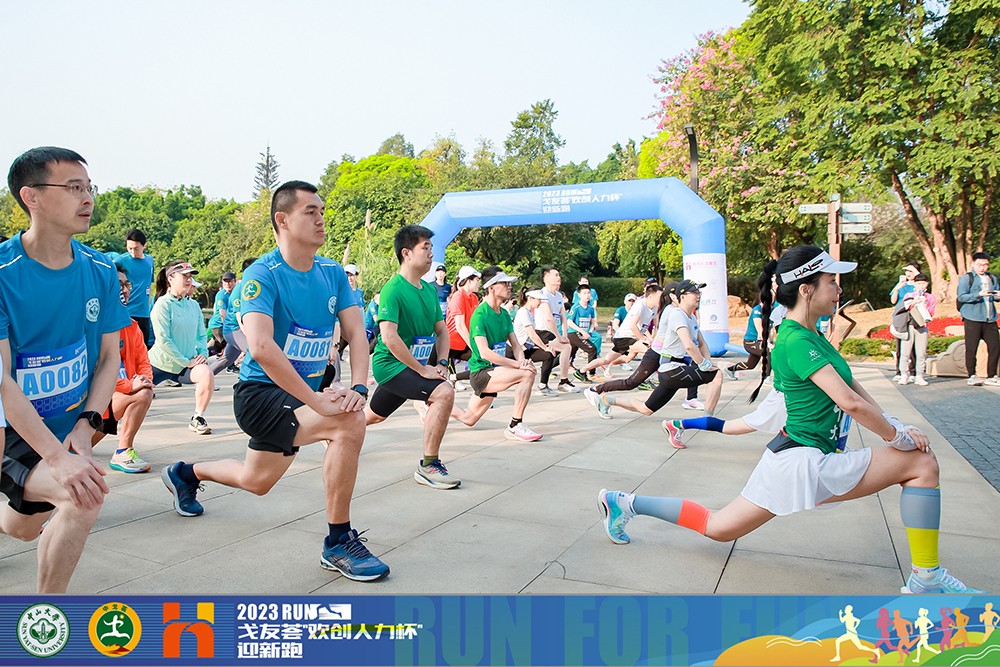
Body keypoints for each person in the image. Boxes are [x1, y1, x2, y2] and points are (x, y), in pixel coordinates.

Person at [597, 246, 982, 595]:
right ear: (807, 289)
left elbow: (854, 390)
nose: (839, 290)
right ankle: (926, 577)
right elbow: (850, 403)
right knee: (920, 463)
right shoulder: (796, 340)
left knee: (718, 527)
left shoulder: (812, 336)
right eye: (831, 282)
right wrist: (897, 435)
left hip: (804, 456)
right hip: (801, 461)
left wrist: (895, 423)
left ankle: (625, 503)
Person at [161, 180, 389, 581]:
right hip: (260, 394)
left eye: (322, 211)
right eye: (310, 212)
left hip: (301, 395)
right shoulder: (261, 275)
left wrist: (358, 386)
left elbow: (357, 333)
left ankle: (185, 473)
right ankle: (338, 541)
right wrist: (319, 403)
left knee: (256, 481)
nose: (321, 219)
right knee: (348, 423)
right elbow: (262, 347)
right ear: (282, 220)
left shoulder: (332, 272)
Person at [0, 146, 131, 592]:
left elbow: (109, 357)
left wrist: (86, 424)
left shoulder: (100, 269)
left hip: (67, 425)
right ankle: (46, 621)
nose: (87, 198)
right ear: (31, 197)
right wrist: (57, 459)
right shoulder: (3, 273)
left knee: (21, 528)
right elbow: (2, 381)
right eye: (74, 187)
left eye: (89, 187)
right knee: (83, 496)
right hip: (12, 430)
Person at [364, 225, 459, 490]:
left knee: (374, 415)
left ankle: (333, 431)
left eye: (431, 248)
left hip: (412, 366)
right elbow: (388, 337)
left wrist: (442, 363)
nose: (431, 254)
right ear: (406, 253)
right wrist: (422, 369)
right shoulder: (393, 290)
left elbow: (442, 331)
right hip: (390, 365)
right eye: (425, 248)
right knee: (444, 393)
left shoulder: (429, 290)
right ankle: (429, 466)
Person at [586, 280, 721, 422]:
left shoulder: (689, 316)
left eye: (698, 292)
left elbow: (700, 343)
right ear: (676, 297)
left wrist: (707, 362)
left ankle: (606, 400)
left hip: (672, 363)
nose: (698, 295)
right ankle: (706, 419)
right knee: (631, 382)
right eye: (694, 292)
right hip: (659, 357)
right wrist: (703, 364)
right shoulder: (674, 313)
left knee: (646, 409)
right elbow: (689, 345)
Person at [451, 267, 542, 441]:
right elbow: (484, 353)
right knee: (527, 374)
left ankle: (438, 404)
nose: (509, 286)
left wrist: (522, 361)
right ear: (491, 287)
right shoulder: (480, 315)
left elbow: (516, 345)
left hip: (496, 371)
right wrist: (518, 365)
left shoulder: (505, 314)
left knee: (469, 419)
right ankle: (515, 426)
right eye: (504, 283)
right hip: (482, 373)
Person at [91, 265, 155, 473]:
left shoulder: (132, 326)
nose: (125, 290)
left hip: (111, 405)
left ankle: (123, 451)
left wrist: (143, 381)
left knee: (144, 392)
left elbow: (143, 361)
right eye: (119, 285)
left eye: (127, 285)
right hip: (87, 410)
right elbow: (93, 371)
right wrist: (129, 385)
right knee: (69, 452)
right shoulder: (90, 324)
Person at [147, 261, 219, 434]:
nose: (189, 280)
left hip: (186, 365)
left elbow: (201, 335)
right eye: (184, 276)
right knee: (136, 396)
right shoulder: (162, 305)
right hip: (160, 364)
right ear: (170, 279)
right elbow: (164, 340)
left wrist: (202, 355)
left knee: (206, 373)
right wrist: (186, 362)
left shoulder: (193, 305)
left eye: (190, 276)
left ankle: (198, 418)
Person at [579, 283, 662, 380]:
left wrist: (653, 337)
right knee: (651, 351)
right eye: (659, 296)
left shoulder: (655, 307)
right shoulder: (640, 305)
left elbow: (656, 325)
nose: (662, 299)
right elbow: (632, 325)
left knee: (607, 360)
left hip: (633, 338)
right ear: (651, 296)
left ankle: (581, 371)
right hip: (624, 337)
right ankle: (644, 378)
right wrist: (644, 339)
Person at [534, 266, 582, 393]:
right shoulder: (542, 294)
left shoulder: (559, 295)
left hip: (553, 333)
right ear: (546, 278)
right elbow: (549, 318)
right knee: (566, 348)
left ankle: (545, 384)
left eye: (559, 275)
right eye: (555, 275)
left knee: (556, 351)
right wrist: (559, 337)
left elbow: (563, 317)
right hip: (541, 331)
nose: (559, 277)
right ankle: (563, 382)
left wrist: (564, 334)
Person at [956, 252, 1000, 386]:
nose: (982, 267)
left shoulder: (992, 278)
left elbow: (995, 296)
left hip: (990, 318)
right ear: (973, 264)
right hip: (972, 317)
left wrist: (997, 295)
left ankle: (992, 375)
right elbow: (961, 296)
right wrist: (978, 294)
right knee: (971, 348)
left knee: (995, 347)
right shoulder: (967, 278)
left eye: (985, 265)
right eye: (979, 264)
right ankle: (972, 375)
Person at [510, 287, 558, 396]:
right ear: (530, 298)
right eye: (538, 299)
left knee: (548, 355)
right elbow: (532, 334)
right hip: (516, 351)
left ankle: (543, 386)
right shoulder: (523, 312)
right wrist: (544, 347)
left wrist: (543, 347)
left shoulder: (530, 312)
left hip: (526, 349)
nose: (540, 302)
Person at [112, 228, 155, 348]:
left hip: (143, 313)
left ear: (144, 245)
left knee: (142, 349)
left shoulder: (150, 261)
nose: (132, 252)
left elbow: (148, 285)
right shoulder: (120, 261)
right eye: (129, 248)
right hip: (126, 312)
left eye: (136, 248)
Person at [897, 273, 936, 386]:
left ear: (927, 284)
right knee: (905, 352)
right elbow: (905, 307)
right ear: (914, 284)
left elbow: (931, 313)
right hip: (909, 325)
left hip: (922, 326)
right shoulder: (909, 295)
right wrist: (914, 301)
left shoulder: (930, 297)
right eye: (918, 283)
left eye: (923, 283)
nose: (921, 285)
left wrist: (924, 304)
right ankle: (904, 374)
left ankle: (919, 375)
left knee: (921, 353)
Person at [445, 265, 481, 388]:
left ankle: (454, 378)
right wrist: (474, 346)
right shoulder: (458, 297)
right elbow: (459, 326)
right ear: (469, 281)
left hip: (463, 343)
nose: (479, 283)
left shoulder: (474, 298)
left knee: (483, 362)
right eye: (477, 280)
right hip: (450, 343)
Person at [222, 258, 257, 373]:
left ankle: (203, 377)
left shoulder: (252, 286)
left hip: (239, 329)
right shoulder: (239, 289)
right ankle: (247, 380)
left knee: (225, 361)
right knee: (254, 352)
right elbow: (239, 317)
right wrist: (250, 337)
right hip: (234, 330)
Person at [889, 262, 920, 381]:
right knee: (900, 344)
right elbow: (893, 300)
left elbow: (921, 292)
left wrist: (916, 274)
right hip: (901, 316)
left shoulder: (918, 285)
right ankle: (899, 371)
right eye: (907, 271)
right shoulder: (901, 285)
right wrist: (897, 288)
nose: (908, 273)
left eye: (911, 271)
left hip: (913, 316)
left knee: (913, 346)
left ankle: (913, 372)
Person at [724, 298, 765, 380]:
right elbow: (760, 330)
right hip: (751, 342)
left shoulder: (771, 310)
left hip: (758, 342)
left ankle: (730, 369)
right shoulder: (757, 310)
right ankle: (767, 377)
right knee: (769, 353)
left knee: (750, 365)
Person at [567, 285, 599, 382]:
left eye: (588, 293)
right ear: (579, 295)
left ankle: (549, 367)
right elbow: (569, 322)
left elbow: (592, 322)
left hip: (583, 334)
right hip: (574, 333)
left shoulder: (590, 308)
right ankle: (591, 373)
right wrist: (582, 332)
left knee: (567, 353)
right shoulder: (576, 307)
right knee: (592, 349)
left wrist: (590, 332)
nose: (587, 295)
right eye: (584, 293)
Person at [207, 271, 237, 358]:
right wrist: (229, 328)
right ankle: (228, 363)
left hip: (222, 324)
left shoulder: (234, 293)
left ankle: (201, 354)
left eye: (230, 281)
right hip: (219, 325)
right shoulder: (222, 295)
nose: (227, 284)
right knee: (229, 344)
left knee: (216, 346)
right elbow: (222, 314)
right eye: (225, 282)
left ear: (234, 282)